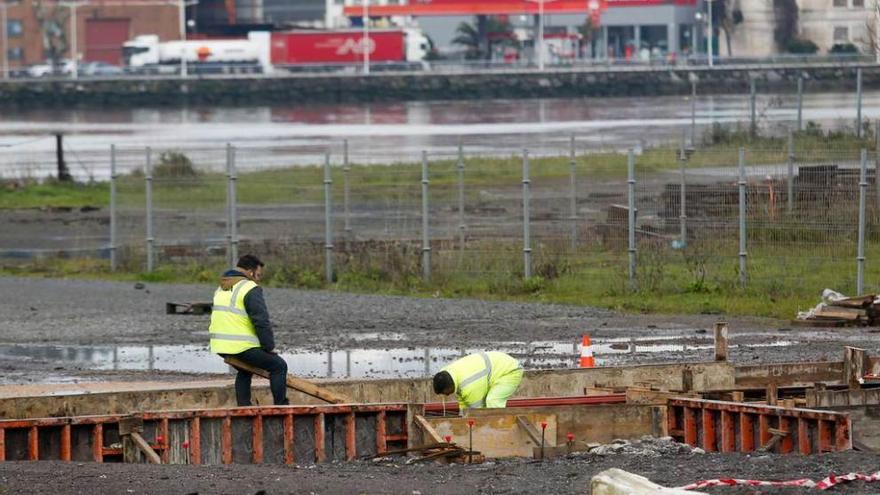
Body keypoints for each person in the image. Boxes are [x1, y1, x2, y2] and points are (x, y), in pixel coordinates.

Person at [209, 254, 289, 406]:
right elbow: (261, 321)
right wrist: (268, 347)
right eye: (258, 275)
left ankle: (243, 406)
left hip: (220, 345)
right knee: (279, 366)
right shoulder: (249, 287)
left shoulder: (222, 287)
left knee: (245, 368)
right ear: (251, 272)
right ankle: (281, 406)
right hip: (239, 346)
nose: (258, 279)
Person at [432, 351, 523, 410]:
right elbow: (464, 404)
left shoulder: (468, 386)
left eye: (445, 392)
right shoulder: (450, 373)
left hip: (509, 371)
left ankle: (500, 428)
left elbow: (479, 411)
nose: (446, 395)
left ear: (449, 386)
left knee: (493, 401)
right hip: (496, 366)